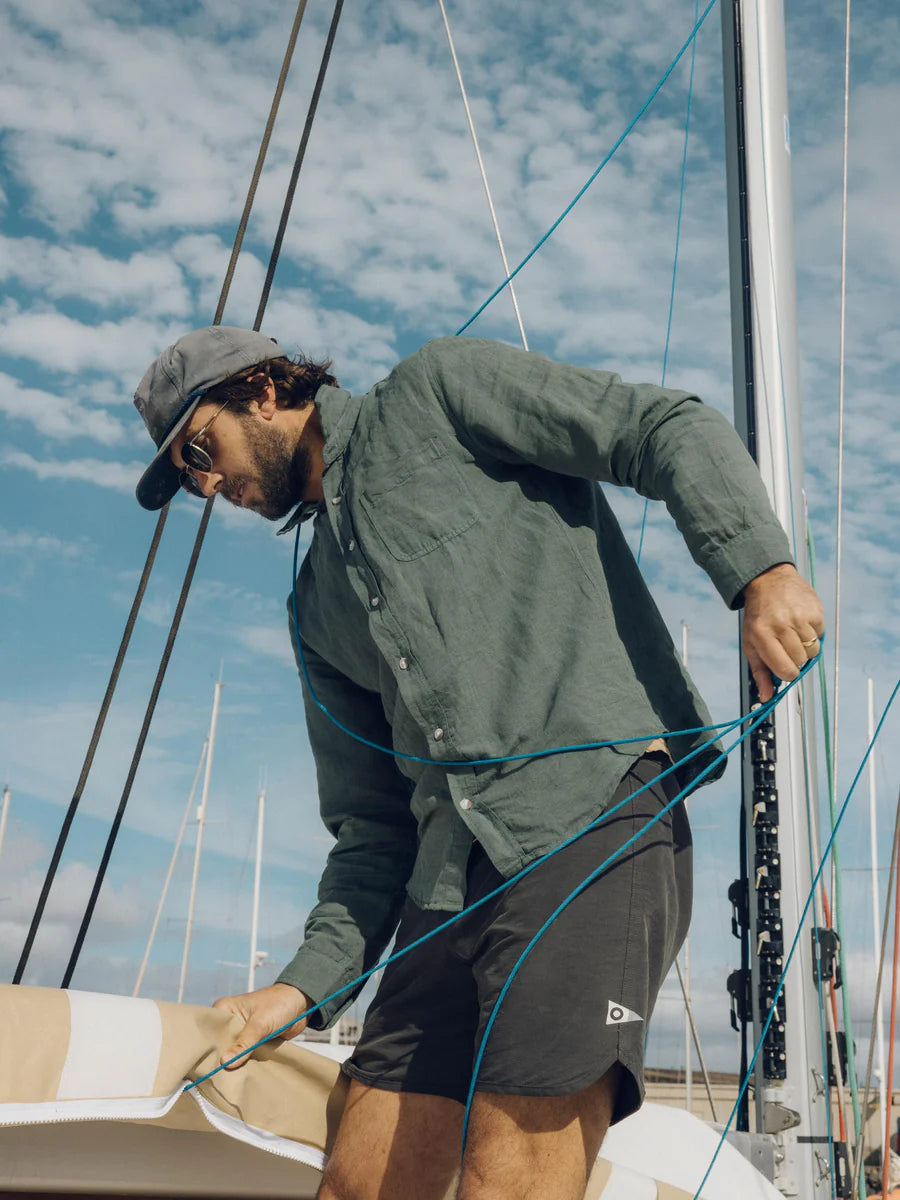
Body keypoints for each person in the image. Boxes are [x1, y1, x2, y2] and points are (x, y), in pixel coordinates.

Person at [134, 325, 824, 1200]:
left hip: (590, 821)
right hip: (444, 891)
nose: (205, 485)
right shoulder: (313, 608)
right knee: (356, 1185)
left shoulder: (439, 389)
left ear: (264, 391)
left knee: (510, 1182)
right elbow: (371, 829)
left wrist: (761, 572)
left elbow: (659, 427)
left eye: (200, 451)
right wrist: (303, 988)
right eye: (186, 478)